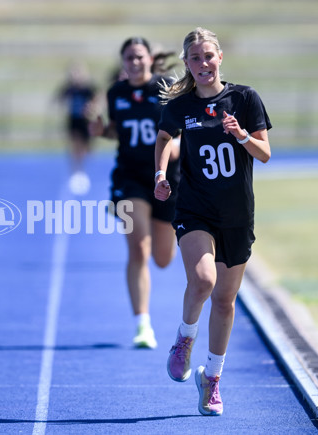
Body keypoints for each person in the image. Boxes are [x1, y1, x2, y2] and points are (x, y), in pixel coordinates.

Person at [154, 27, 271, 416]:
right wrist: (160, 174)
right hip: (195, 209)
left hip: (237, 215)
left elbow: (265, 153)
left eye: (208, 56)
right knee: (203, 280)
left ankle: (212, 379)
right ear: (186, 64)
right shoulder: (181, 106)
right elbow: (164, 138)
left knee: (224, 301)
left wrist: (240, 137)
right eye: (195, 58)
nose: (202, 64)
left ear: (219, 57)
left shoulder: (244, 98)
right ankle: (184, 339)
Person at [89, 37, 180, 348]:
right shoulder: (117, 93)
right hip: (130, 178)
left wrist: (173, 150)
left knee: (164, 259)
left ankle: (157, 227)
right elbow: (118, 129)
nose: (135, 62)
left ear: (149, 58)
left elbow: (181, 129)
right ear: (123, 61)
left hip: (166, 178)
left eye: (139, 56)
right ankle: (143, 325)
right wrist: (103, 131)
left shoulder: (167, 85)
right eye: (129, 57)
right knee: (138, 250)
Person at [55, 61, 98, 195]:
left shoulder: (88, 88)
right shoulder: (70, 88)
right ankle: (76, 171)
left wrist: (92, 108)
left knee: (86, 147)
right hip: (73, 120)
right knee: (75, 145)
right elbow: (59, 98)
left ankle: (82, 168)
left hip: (85, 121)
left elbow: (97, 99)